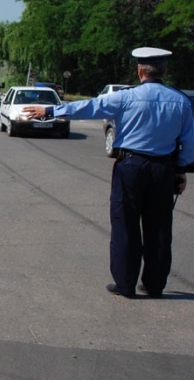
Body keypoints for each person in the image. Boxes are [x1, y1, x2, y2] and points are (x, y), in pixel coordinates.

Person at [22, 47, 194, 299]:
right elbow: (189, 142)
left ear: (140, 71)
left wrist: (50, 111)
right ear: (163, 71)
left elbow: (90, 107)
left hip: (131, 166)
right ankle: (155, 284)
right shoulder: (181, 101)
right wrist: (180, 170)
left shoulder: (126, 97)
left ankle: (125, 283)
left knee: (125, 224)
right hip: (163, 169)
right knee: (159, 228)